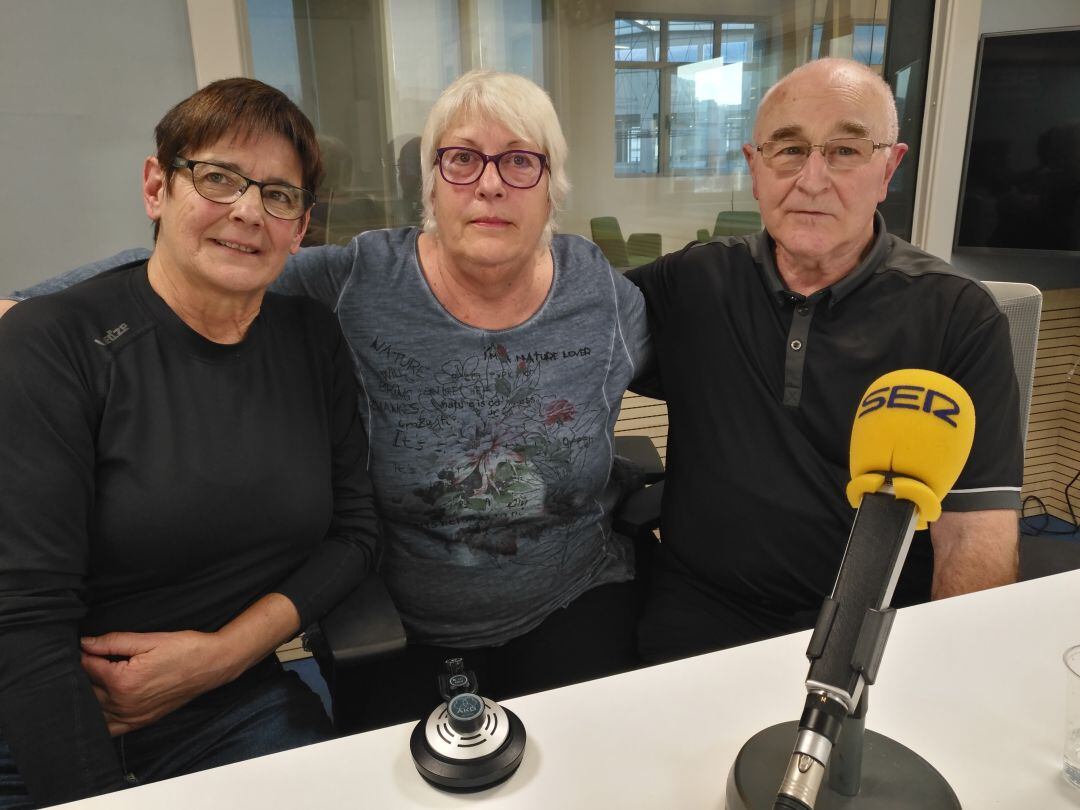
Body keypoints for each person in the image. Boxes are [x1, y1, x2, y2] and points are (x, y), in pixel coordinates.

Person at [3, 70, 650, 730]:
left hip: (575, 598)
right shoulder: (357, 281)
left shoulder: (605, 299)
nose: (489, 184)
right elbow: (186, 263)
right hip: (401, 626)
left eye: (519, 161)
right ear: (430, 184)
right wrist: (27, 309)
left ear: (552, 187)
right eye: (461, 159)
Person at [0, 79, 378, 808]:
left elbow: (356, 533)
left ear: (300, 228)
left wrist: (224, 657)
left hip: (235, 702)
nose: (248, 211)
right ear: (157, 187)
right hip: (42, 721)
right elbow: (22, 617)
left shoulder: (311, 340)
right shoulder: (53, 346)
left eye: (278, 195)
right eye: (218, 178)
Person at [626, 57, 1022, 663]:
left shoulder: (958, 317)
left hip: (875, 620)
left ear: (889, 168)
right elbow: (558, 314)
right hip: (700, 610)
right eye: (789, 150)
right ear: (754, 168)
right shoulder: (694, 282)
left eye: (845, 151)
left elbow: (975, 533)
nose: (812, 180)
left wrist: (956, 668)